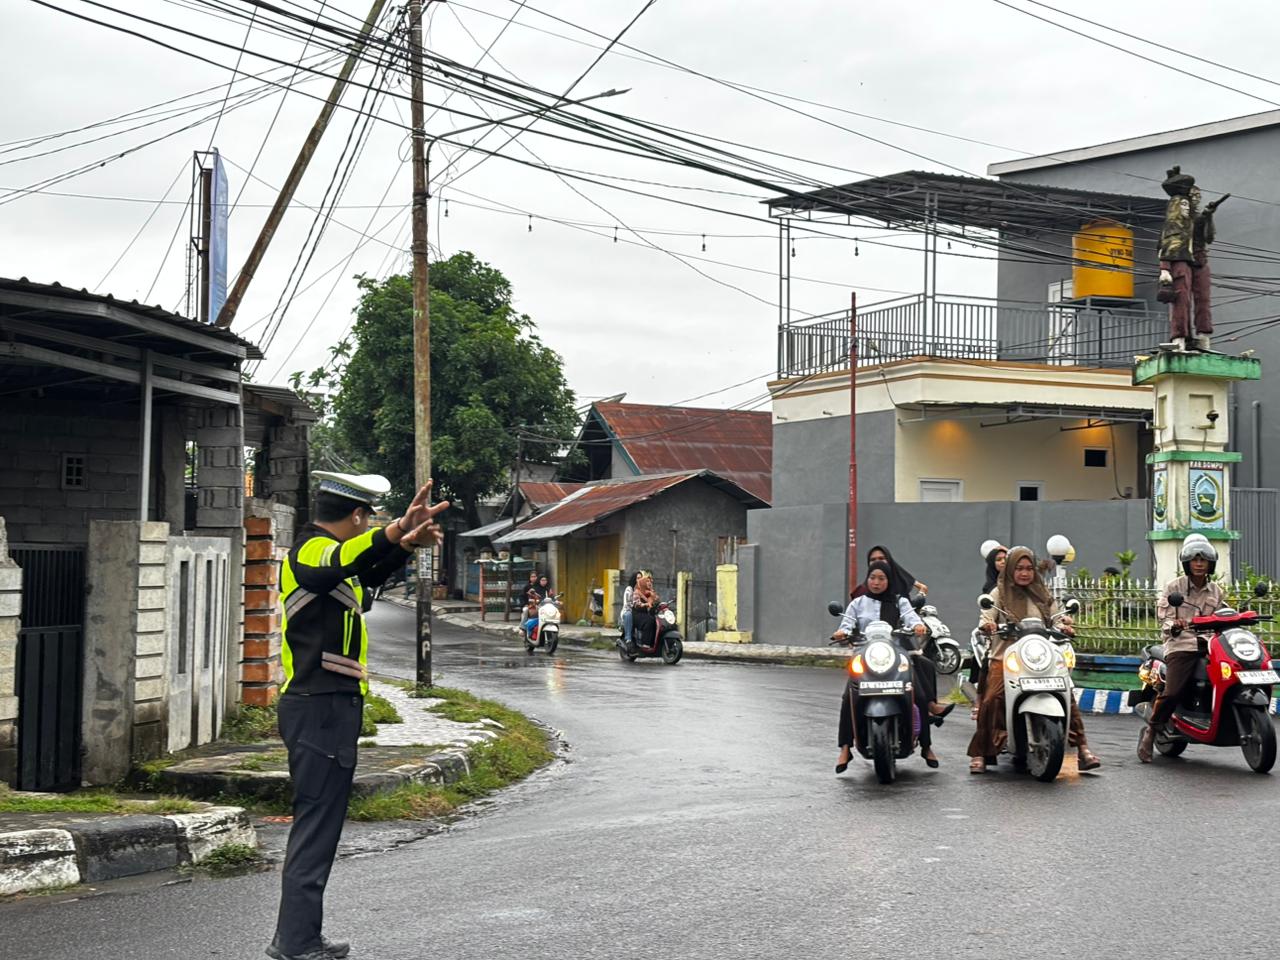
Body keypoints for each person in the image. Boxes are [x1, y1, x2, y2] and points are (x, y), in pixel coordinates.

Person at [269, 474, 448, 960]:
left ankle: (299, 936)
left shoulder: (333, 561)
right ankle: (296, 941)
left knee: (321, 824)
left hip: (328, 706)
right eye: (367, 518)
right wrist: (395, 531)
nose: (368, 526)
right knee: (316, 825)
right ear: (356, 516)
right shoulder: (312, 551)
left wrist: (404, 545)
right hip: (318, 706)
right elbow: (343, 561)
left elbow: (364, 577)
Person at [967, 546, 1101, 775]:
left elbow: (1056, 618)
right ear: (1010, 569)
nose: (1024, 573)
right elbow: (986, 617)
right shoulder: (998, 593)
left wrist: (1064, 626)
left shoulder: (1042, 592)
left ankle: (1082, 748)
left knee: (1067, 693)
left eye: (1029, 568)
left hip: (1039, 655)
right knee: (992, 698)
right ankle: (980, 752)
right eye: (1019, 568)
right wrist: (988, 625)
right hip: (1006, 655)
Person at [833, 561, 953, 773]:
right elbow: (847, 624)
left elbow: (911, 617)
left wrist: (917, 626)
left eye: (881, 578)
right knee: (848, 697)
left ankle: (926, 746)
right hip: (865, 654)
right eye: (873, 578)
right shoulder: (858, 603)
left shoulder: (900, 601)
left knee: (918, 695)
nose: (876, 582)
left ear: (889, 581)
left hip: (894, 653)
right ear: (867, 579)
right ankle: (845, 748)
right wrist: (842, 633)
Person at [1138, 536, 1224, 763]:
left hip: (1209, 645)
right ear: (1187, 563)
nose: (1199, 564)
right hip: (1181, 644)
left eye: (1203, 560)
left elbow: (1223, 614)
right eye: (1195, 559)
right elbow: (1164, 619)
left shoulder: (1216, 591)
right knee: (1173, 691)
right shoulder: (1174, 588)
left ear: (1210, 564)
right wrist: (1174, 625)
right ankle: (1152, 730)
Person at [849, 545, 928, 600]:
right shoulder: (861, 592)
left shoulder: (899, 586)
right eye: (873, 560)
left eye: (881, 558)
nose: (877, 562)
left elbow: (922, 587)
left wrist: (920, 597)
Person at [630, 570, 660, 651]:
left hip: (645, 614)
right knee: (649, 620)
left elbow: (656, 599)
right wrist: (646, 604)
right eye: (647, 581)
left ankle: (653, 644)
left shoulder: (650, 591)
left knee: (656, 621)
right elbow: (636, 604)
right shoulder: (637, 591)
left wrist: (657, 601)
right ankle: (645, 643)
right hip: (636, 614)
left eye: (650, 581)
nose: (649, 583)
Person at [620, 571, 638, 651]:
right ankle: (628, 639)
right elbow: (628, 603)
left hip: (637, 612)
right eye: (638, 578)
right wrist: (638, 605)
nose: (639, 580)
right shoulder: (629, 589)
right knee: (628, 615)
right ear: (634, 579)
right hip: (628, 611)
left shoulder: (641, 589)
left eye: (641, 578)